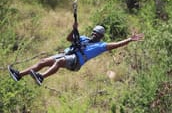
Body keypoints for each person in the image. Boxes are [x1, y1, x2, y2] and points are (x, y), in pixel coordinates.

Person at [8, 22, 144, 85]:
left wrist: (129, 40)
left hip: (76, 62)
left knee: (59, 62)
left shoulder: (101, 45)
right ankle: (19, 74)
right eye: (93, 32)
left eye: (97, 34)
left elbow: (116, 45)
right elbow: (69, 39)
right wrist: (74, 29)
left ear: (101, 37)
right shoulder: (83, 38)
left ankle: (41, 77)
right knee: (43, 61)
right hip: (67, 54)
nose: (94, 34)